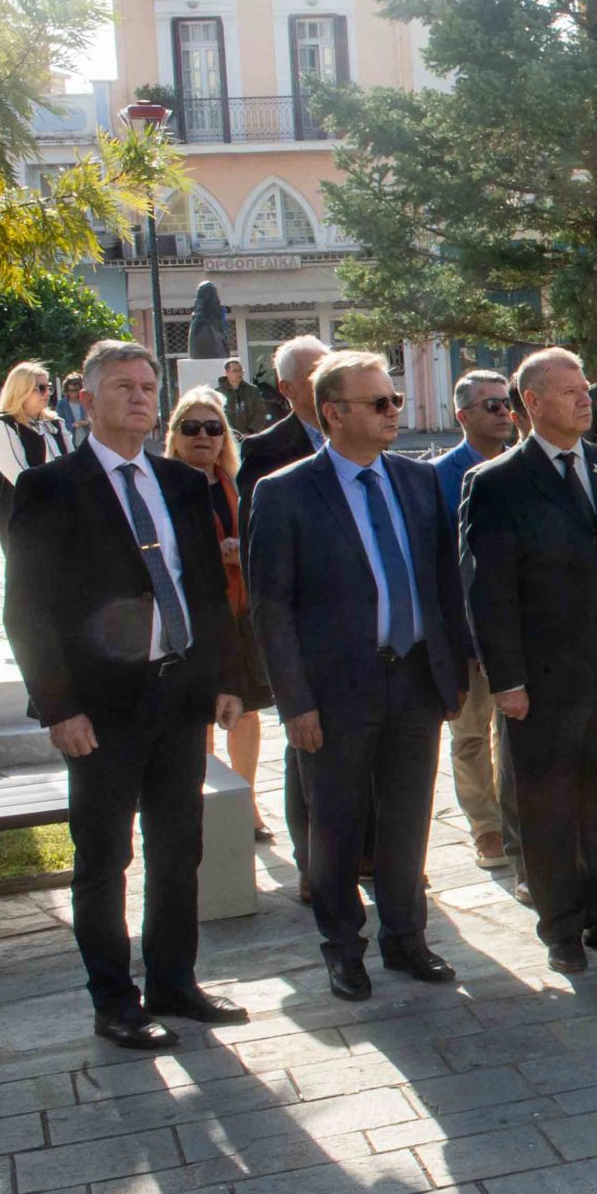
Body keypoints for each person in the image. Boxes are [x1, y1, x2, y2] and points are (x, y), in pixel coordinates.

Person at [3, 340, 248, 1051]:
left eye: (147, 386)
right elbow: (27, 609)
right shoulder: (51, 488)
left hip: (178, 695)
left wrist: (227, 677)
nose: (140, 397)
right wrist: (59, 708)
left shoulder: (181, 482)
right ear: (85, 400)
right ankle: (114, 1000)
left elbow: (207, 589)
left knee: (179, 848)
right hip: (100, 708)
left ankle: (174, 981)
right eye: (123, 387)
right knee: (104, 857)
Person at [248, 352, 469, 1000]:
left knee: (407, 819)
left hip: (415, 679)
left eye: (394, 399)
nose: (393, 411)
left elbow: (443, 581)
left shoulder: (417, 480)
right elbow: (271, 608)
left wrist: (453, 672)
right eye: (379, 403)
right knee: (336, 825)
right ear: (334, 413)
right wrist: (295, 703)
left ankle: (407, 938)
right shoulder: (286, 492)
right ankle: (343, 948)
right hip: (336, 689)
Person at [462, 349, 597, 968]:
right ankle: (560, 928)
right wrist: (506, 680)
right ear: (532, 403)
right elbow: (488, 592)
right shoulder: (497, 482)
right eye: (569, 391)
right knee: (546, 806)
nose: (586, 399)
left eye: (585, 388)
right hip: (541, 680)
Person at [236, 333, 332, 874]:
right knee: (306, 747)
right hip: (304, 623)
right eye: (313, 373)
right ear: (287, 388)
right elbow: (261, 554)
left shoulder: (363, 434)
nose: (325, 381)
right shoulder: (265, 451)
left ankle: (369, 852)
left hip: (361, 623)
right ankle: (311, 861)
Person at [164, 387, 275, 843]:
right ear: (174, 436)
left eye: (213, 428)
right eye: (191, 427)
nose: (203, 436)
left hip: (241, 614)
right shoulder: (164, 486)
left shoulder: (233, 483)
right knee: (203, 718)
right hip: (195, 621)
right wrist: (218, 553)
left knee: (247, 713)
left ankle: (245, 802)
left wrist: (241, 551)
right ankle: (205, 805)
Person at [434, 370, 520, 868]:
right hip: (465, 633)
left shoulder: (527, 466)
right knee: (469, 735)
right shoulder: (437, 477)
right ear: (462, 415)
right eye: (491, 405)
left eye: (507, 402)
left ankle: (517, 821)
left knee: (516, 734)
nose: (504, 412)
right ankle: (486, 827)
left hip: (519, 630)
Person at [0, 359, 70, 550]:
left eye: (48, 387)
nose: (47, 393)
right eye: (41, 388)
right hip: (21, 513)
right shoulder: (4, 425)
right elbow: (19, 476)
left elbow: (73, 465)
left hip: (60, 511)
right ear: (21, 390)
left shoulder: (56, 423)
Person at [218, 358, 270, 436]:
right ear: (226, 373)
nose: (239, 373)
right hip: (228, 437)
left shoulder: (253, 390)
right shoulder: (218, 393)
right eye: (235, 371)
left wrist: (251, 431)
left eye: (240, 370)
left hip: (250, 436)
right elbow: (216, 416)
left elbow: (261, 412)